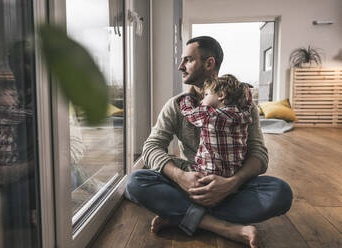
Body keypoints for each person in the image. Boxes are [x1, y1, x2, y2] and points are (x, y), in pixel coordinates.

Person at [125, 36, 292, 248]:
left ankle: (181, 216)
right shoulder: (177, 106)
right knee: (136, 182)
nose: (180, 66)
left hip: (231, 186)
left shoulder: (243, 105)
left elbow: (259, 154)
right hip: (191, 184)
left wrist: (232, 183)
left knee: (280, 192)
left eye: (187, 60)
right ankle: (226, 227)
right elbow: (151, 148)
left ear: (209, 63)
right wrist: (181, 177)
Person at [179, 74, 253, 177]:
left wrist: (188, 95)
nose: (201, 100)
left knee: (173, 162)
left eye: (206, 95)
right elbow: (248, 104)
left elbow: (187, 111)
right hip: (233, 174)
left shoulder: (209, 115)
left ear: (221, 95)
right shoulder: (243, 115)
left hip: (207, 174)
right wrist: (246, 91)